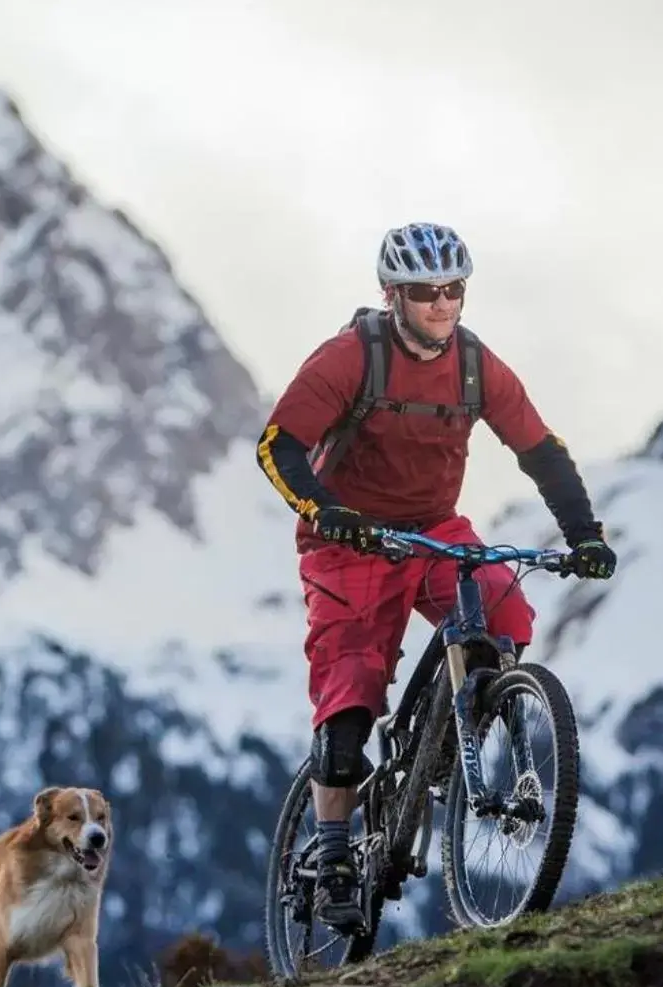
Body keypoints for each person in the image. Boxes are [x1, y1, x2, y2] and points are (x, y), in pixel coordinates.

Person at [253, 220, 617, 934]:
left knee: (505, 618)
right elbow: (278, 445)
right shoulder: (349, 359)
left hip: (433, 531)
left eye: (454, 289)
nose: (443, 304)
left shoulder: (478, 367)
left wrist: (585, 535)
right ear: (393, 294)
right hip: (350, 541)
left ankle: (457, 734)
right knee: (351, 687)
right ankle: (331, 856)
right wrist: (325, 511)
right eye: (426, 292)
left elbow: (541, 450)